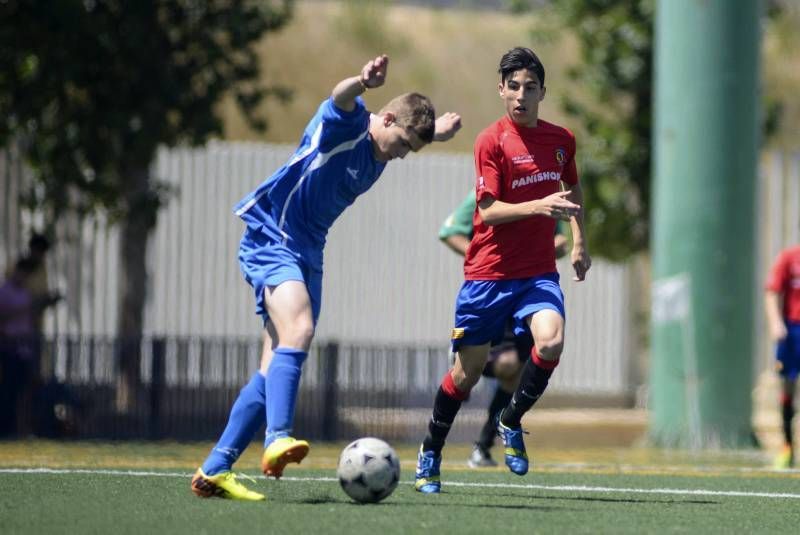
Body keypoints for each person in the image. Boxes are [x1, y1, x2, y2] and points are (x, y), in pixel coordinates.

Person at [190, 54, 462, 501]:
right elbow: (339, 99)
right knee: (300, 327)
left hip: (308, 253)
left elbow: (403, 136)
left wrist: (436, 134)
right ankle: (278, 436)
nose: (401, 153)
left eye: (410, 149)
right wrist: (361, 81)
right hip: (273, 235)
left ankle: (215, 469)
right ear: (386, 117)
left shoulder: (381, 151)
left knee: (272, 367)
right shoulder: (347, 127)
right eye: (402, 142)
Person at [414, 47, 591, 494]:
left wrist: (578, 243)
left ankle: (511, 420)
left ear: (542, 93)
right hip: (488, 276)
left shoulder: (561, 140)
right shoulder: (490, 141)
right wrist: (540, 205)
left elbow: (572, 189)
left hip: (536, 274)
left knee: (551, 341)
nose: (521, 95)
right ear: (501, 90)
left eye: (530, 88)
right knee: (465, 375)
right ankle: (431, 450)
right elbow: (489, 212)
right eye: (513, 87)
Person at [438, 189, 568, 468]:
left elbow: (560, 237)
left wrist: (560, 244)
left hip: (529, 288)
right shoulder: (485, 196)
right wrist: (482, 255)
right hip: (493, 287)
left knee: (518, 371)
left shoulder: (542, 188)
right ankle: (439, 448)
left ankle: (484, 446)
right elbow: (449, 231)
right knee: (501, 366)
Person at [765, 244, 800, 469]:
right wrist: (775, 323)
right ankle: (787, 448)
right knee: (788, 388)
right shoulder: (789, 257)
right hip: (793, 332)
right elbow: (772, 291)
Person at [0, 258, 38, 436]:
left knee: (23, 391)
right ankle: (6, 428)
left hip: (25, 349)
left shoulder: (25, 294)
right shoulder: (5, 292)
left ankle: (20, 428)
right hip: (9, 347)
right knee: (8, 389)